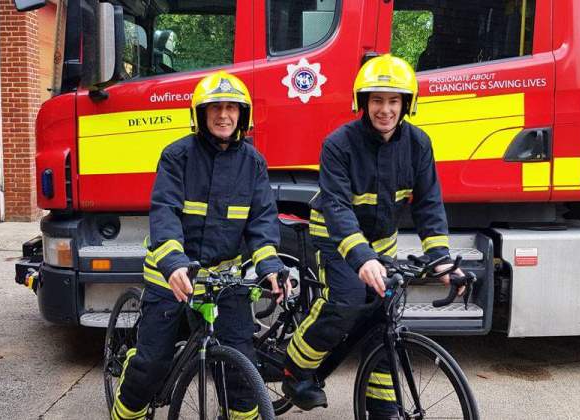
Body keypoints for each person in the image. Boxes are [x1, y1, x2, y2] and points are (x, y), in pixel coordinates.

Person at [281, 54, 464, 418]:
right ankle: (295, 368)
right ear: (363, 102)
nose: (385, 109)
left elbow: (428, 204)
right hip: (334, 237)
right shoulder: (339, 144)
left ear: (406, 104)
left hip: (382, 242)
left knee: (385, 317)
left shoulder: (418, 143)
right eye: (377, 100)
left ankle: (380, 407)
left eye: (393, 100)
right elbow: (336, 207)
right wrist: (361, 258)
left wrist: (442, 259)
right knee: (346, 301)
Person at [111, 70, 288, 420]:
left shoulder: (253, 163)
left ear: (243, 115)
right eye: (215, 107)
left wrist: (271, 266)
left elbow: (262, 221)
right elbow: (165, 212)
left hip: (225, 282)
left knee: (240, 371)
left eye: (232, 108)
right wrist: (174, 262)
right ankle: (125, 412)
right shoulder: (177, 155)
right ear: (200, 114)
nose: (224, 115)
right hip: (172, 277)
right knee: (151, 362)